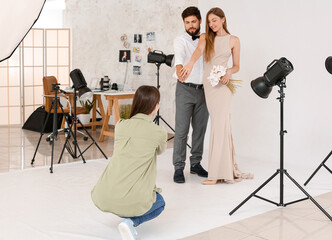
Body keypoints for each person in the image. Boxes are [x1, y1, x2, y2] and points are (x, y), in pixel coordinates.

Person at [180, 7, 253, 185]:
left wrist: (227, 72)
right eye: (209, 21)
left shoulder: (234, 40)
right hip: (209, 85)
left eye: (214, 20)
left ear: (223, 19)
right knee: (220, 125)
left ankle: (216, 174)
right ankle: (223, 170)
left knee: (220, 125)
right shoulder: (206, 37)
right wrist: (189, 63)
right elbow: (198, 53)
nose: (211, 24)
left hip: (223, 85)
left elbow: (237, 66)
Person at [91, 85, 167, 240]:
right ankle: (132, 222)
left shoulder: (120, 125)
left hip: (106, 198)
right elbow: (159, 150)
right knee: (160, 203)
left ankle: (127, 216)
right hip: (133, 203)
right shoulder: (159, 132)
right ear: (155, 106)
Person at [172, 6, 209, 183]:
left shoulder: (208, 39)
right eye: (187, 22)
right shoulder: (180, 40)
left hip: (204, 91)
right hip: (185, 89)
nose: (191, 25)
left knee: (200, 130)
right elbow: (179, 56)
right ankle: (178, 167)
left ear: (200, 21)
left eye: (193, 21)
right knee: (181, 130)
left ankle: (196, 163)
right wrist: (179, 68)